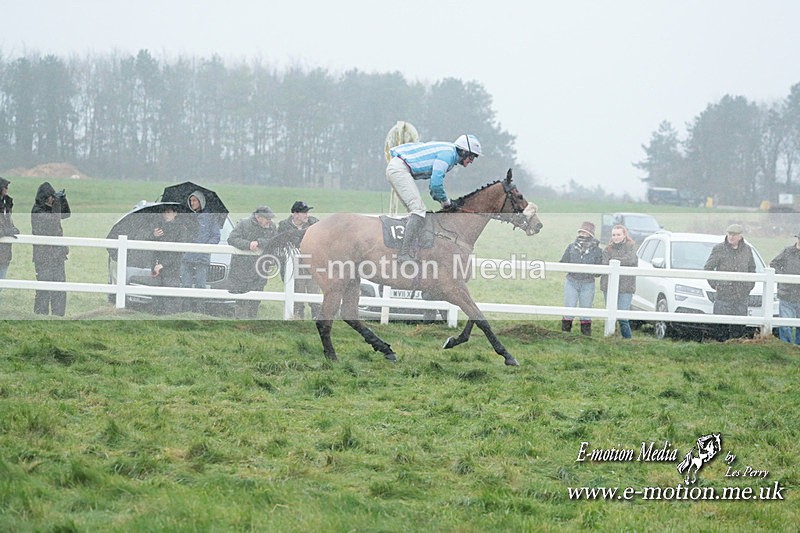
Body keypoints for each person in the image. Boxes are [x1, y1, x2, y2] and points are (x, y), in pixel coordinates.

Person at [386, 134, 482, 262]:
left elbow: (434, 189)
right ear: (463, 151)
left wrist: (442, 200)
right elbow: (435, 184)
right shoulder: (448, 155)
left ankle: (407, 248)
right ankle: (403, 254)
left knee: (416, 212)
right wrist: (445, 202)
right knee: (418, 211)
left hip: (398, 167)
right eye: (471, 156)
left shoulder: (450, 152)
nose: (471, 161)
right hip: (399, 169)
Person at [704, 224, 756, 341]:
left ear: (740, 236)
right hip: (724, 295)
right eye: (729, 234)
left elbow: (752, 268)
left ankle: (736, 348)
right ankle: (720, 347)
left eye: (734, 235)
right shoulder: (719, 249)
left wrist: (749, 286)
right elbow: (708, 268)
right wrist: (716, 285)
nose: (731, 237)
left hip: (741, 295)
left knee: (739, 327)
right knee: (720, 326)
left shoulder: (747, 250)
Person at [227, 205, 277, 319]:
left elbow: (275, 241)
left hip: (261, 268)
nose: (269, 221)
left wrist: (260, 242)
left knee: (256, 298)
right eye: (267, 218)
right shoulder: (243, 224)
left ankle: (252, 320)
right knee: (241, 298)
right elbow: (232, 239)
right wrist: (247, 245)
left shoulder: (272, 227)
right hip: (242, 268)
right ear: (258, 217)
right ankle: (240, 322)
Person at [31, 182, 71, 316]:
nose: (52, 199)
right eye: (51, 197)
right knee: (43, 288)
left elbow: (66, 214)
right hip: (43, 257)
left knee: (59, 287)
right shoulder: (37, 211)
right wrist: (57, 204)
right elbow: (52, 220)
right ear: (44, 197)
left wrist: (62, 200)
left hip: (57, 255)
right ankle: (40, 314)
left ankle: (58, 315)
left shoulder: (52, 208)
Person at [277, 200, 320, 319]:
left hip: (312, 266)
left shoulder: (314, 223)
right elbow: (282, 243)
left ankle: (317, 320)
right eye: (303, 212)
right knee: (297, 295)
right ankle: (297, 320)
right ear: (295, 214)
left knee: (314, 293)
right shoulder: (283, 226)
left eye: (307, 212)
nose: (307, 215)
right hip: (294, 268)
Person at [180, 190, 221, 312]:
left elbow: (216, 236)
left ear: (201, 201)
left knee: (200, 286)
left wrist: (205, 248)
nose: (192, 203)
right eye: (191, 201)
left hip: (202, 258)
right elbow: (181, 235)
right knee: (186, 285)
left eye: (195, 201)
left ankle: (199, 311)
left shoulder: (210, 217)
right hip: (186, 257)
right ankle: (185, 311)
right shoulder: (186, 216)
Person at [560, 221, 602, 336]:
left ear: (591, 234)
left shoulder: (597, 250)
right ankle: (565, 334)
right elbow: (563, 263)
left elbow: (599, 270)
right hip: (572, 282)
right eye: (581, 231)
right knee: (569, 308)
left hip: (588, 283)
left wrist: (589, 271)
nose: (582, 234)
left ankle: (585, 336)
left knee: (586, 309)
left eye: (585, 232)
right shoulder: (571, 247)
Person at [147, 205, 189, 315]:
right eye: (164, 212)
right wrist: (154, 236)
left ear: (175, 213)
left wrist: (164, 264)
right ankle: (156, 317)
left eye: (169, 212)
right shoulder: (158, 226)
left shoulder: (181, 229)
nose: (166, 215)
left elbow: (178, 251)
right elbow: (149, 244)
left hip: (172, 268)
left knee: (170, 297)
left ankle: (170, 318)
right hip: (156, 266)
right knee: (156, 295)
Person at [600, 224, 638, 339]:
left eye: (618, 234)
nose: (616, 237)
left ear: (624, 235)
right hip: (609, 286)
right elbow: (605, 263)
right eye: (613, 235)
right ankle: (611, 337)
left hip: (626, 286)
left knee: (623, 316)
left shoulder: (631, 247)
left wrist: (614, 261)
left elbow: (631, 260)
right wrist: (618, 261)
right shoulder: (608, 249)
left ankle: (627, 339)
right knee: (610, 315)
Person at [769, 231, 800, 345]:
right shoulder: (787, 251)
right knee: (785, 325)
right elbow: (773, 264)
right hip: (787, 294)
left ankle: (797, 348)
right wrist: (783, 276)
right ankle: (786, 347)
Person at [0, 177, 20, 295]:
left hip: (4, 253)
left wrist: (13, 229)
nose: (7, 190)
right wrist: (5, 232)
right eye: (5, 187)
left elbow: (8, 223)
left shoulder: (6, 205)